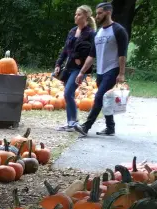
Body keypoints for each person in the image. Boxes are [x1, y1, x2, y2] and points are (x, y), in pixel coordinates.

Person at [73, 2, 128, 137]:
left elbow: (122, 54)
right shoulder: (98, 33)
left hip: (112, 69)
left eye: (99, 13)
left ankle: (86, 126)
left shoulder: (118, 30)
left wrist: (121, 73)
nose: (96, 16)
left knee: (99, 97)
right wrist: (81, 72)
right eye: (97, 13)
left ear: (108, 12)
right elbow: (92, 55)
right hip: (101, 71)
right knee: (105, 100)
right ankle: (110, 127)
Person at [53, 5, 97, 131]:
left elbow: (91, 53)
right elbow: (66, 50)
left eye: (79, 14)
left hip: (80, 69)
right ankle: (70, 122)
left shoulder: (91, 34)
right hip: (68, 67)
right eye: (75, 14)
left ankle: (72, 122)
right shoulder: (72, 31)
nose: (76, 16)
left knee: (67, 93)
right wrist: (58, 64)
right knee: (69, 94)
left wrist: (79, 59)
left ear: (86, 17)